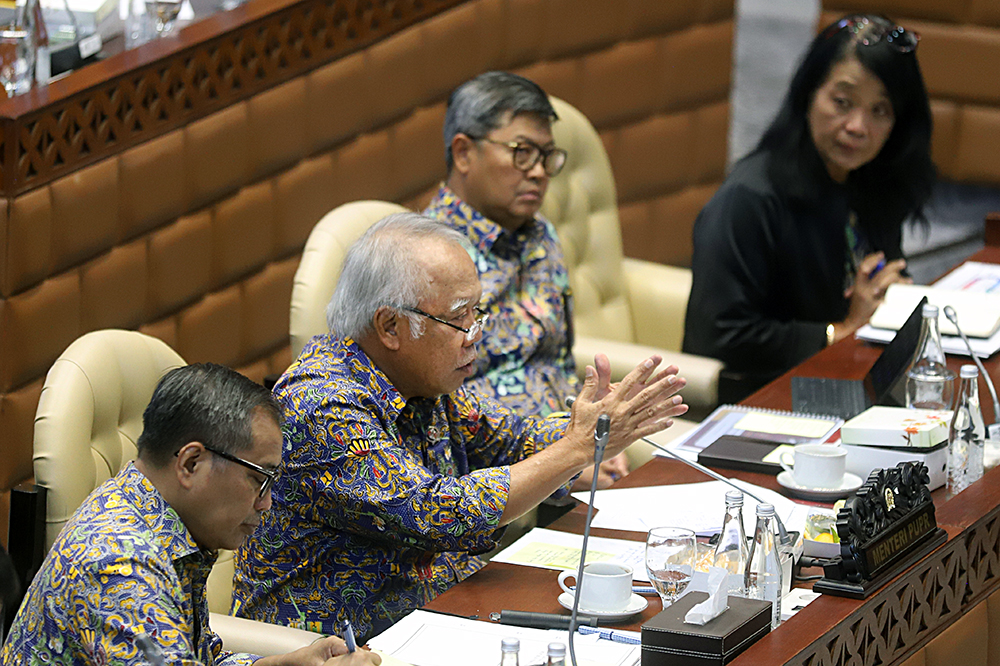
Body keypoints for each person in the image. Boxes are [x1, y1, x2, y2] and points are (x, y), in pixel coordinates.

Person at [233, 213, 688, 641]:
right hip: (344, 648)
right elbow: (441, 513)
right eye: (458, 318)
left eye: (478, 313)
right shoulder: (320, 405)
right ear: (391, 326)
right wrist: (575, 448)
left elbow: (509, 439)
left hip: (445, 617)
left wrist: (592, 426)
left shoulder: (420, 380)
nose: (476, 334)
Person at [1, 363, 380, 666]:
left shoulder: (161, 519)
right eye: (257, 479)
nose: (266, 503)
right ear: (191, 462)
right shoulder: (119, 567)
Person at [683, 14, 935, 403]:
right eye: (842, 102)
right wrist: (841, 330)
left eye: (880, 111)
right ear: (808, 94)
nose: (857, 126)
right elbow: (719, 336)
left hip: (849, 381)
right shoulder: (749, 199)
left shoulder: (871, 180)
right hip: (760, 400)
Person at [424, 71, 629, 489]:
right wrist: (564, 462)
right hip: (491, 475)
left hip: (571, 447)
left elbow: (555, 363)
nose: (538, 172)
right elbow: (439, 413)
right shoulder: (428, 256)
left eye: (547, 156)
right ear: (463, 153)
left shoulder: (542, 236)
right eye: (522, 153)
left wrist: (594, 437)